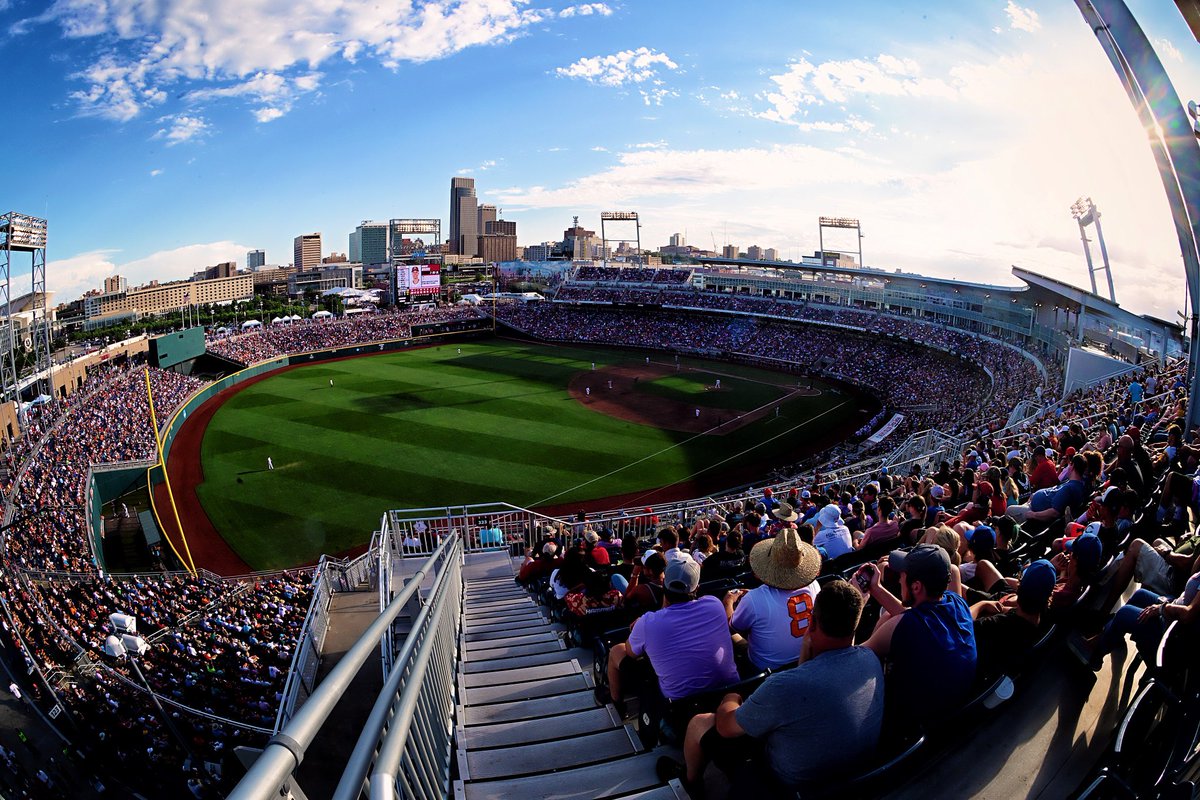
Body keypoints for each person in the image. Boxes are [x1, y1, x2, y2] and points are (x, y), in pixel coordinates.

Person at [656, 580, 884, 794]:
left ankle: (689, 783)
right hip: (850, 777)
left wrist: (731, 695)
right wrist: (805, 650)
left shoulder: (785, 686)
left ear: (812, 622)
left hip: (785, 784)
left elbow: (726, 727)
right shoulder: (871, 660)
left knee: (699, 723)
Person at [601, 556, 739, 715]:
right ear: (697, 587)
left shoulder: (648, 622)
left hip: (680, 704)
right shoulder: (714, 604)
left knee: (616, 651)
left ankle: (617, 706)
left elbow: (631, 652)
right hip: (727, 692)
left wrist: (642, 625)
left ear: (664, 585)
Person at [856, 544, 978, 725]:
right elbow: (911, 616)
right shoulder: (957, 601)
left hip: (919, 722)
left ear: (916, 587)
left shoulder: (903, 626)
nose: (898, 581)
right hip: (960, 702)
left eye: (902, 576)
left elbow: (851, 661)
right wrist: (876, 589)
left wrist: (857, 602)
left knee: (885, 619)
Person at [725, 528, 822, 672]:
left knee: (731, 635)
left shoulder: (754, 599)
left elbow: (732, 627)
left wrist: (728, 602)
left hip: (766, 671)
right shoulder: (814, 585)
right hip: (806, 662)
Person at [971, 559, 1056, 678]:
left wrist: (982, 605)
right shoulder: (1044, 617)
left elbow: (963, 623)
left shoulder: (995, 625)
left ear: (1019, 589)